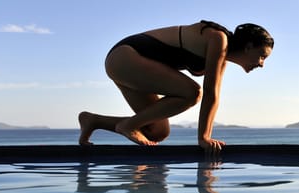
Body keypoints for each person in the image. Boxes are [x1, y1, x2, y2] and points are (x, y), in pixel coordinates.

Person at [78, 20, 274, 152]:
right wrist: (204, 139)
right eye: (262, 56)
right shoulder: (218, 39)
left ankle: (94, 121)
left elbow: (214, 97)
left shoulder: (222, 58)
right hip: (125, 57)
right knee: (192, 93)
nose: (262, 63)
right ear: (248, 47)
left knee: (157, 131)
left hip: (128, 65)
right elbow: (207, 95)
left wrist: (205, 137)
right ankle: (127, 125)